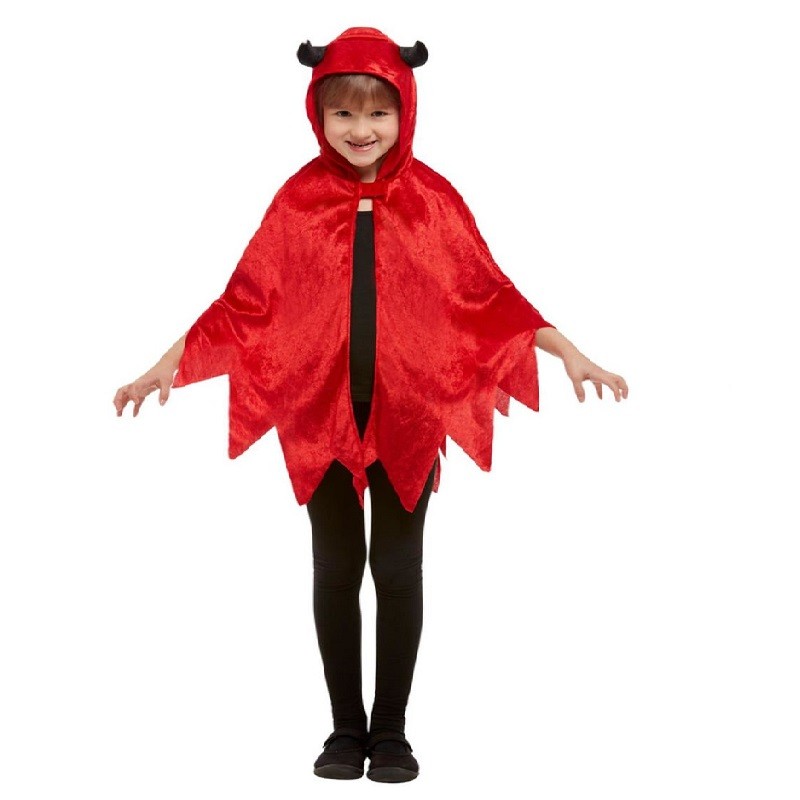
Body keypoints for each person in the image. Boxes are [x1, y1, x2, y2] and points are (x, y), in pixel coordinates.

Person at [113, 27, 628, 783]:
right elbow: (244, 303)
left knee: (395, 565)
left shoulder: (434, 201)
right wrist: (164, 366)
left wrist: (569, 351)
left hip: (407, 417)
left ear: (405, 110)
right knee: (334, 567)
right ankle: (343, 728)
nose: (361, 130)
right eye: (344, 114)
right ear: (317, 115)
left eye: (378, 113)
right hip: (320, 414)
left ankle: (390, 730)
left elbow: (488, 295)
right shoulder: (296, 202)